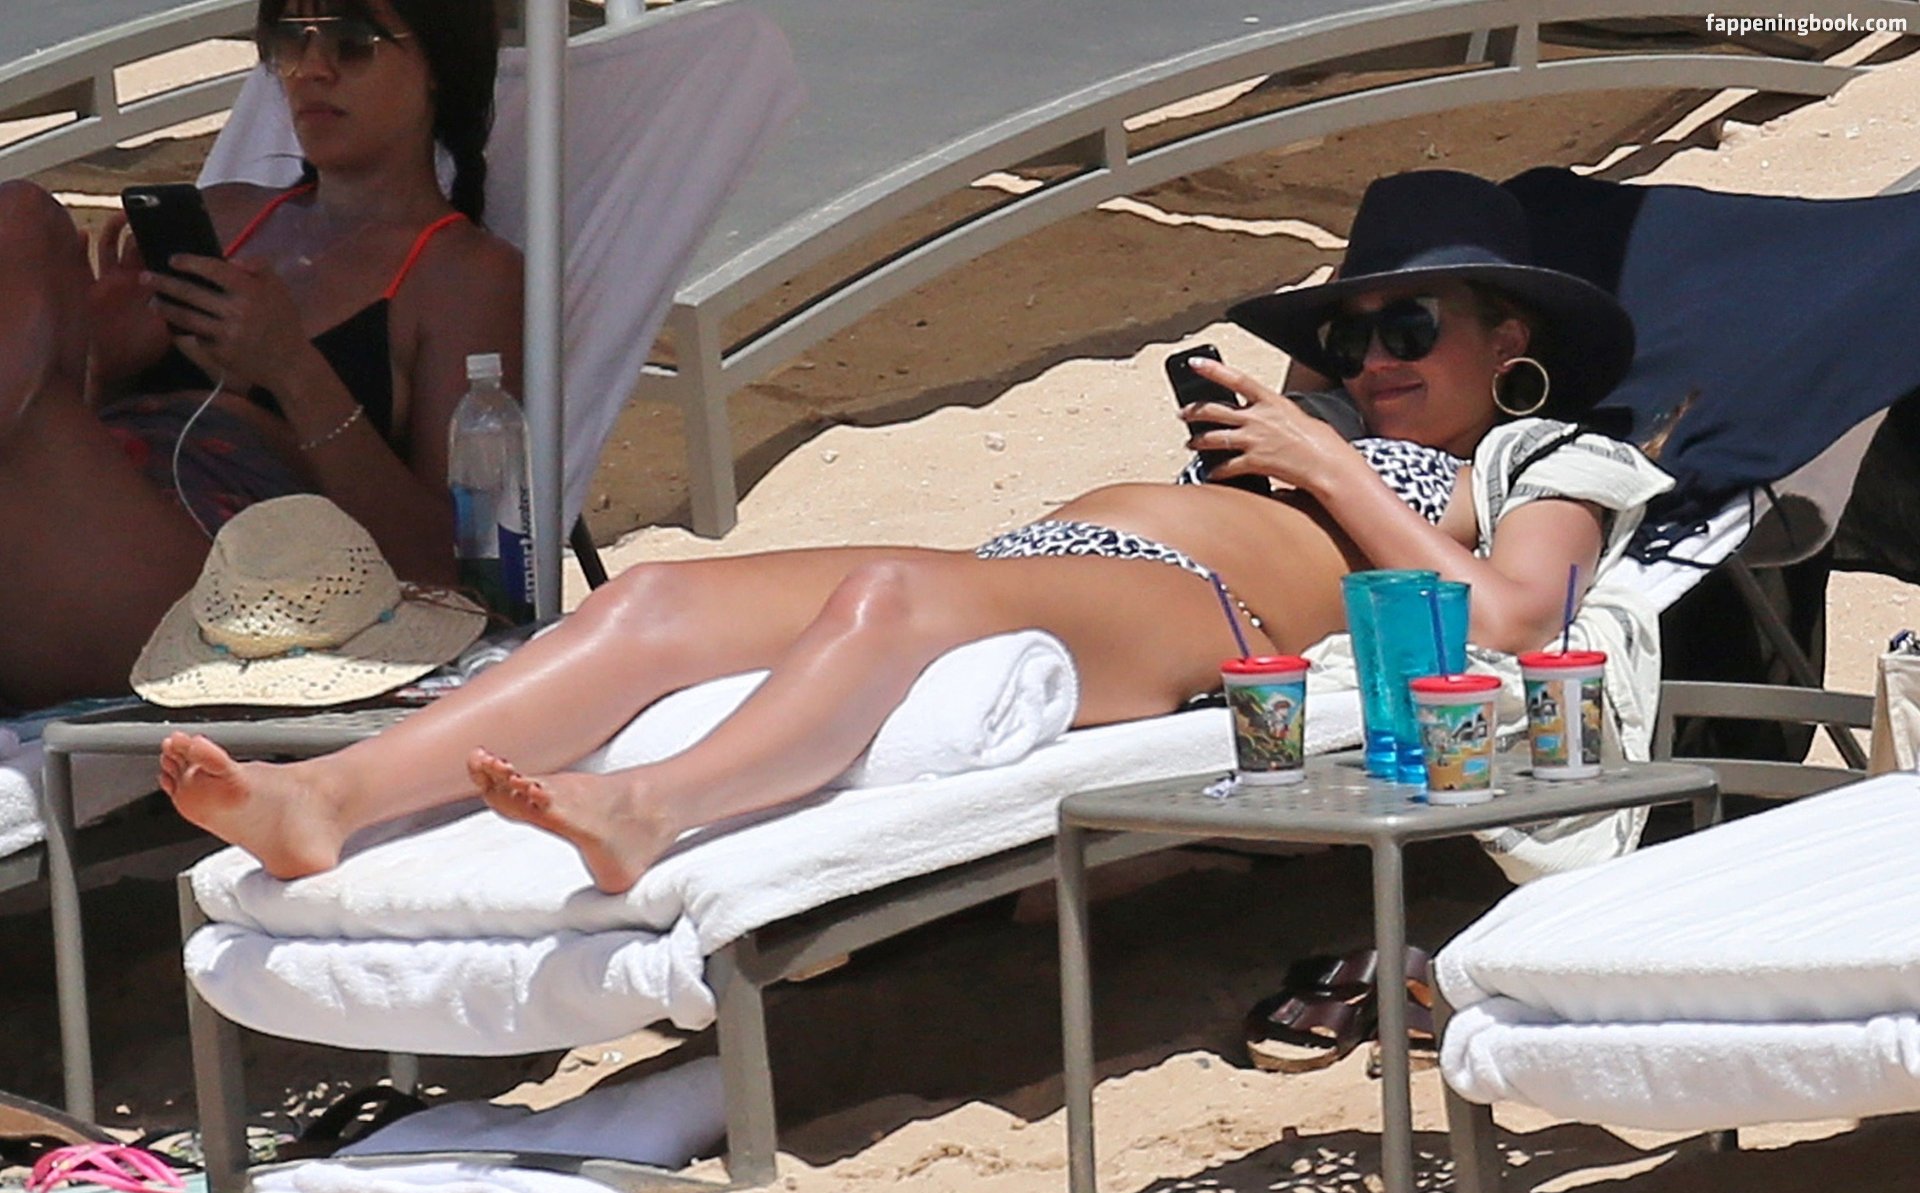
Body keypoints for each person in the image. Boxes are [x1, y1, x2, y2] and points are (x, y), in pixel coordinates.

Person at [157, 169, 1675, 894]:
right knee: (657, 600)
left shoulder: (1546, 456)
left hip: (1209, 615)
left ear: (1511, 342)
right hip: (1055, 561)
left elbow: (1511, 623)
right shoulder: (1310, 427)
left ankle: (653, 809)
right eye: (1347, 336)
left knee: (890, 594)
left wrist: (1324, 465)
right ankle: (332, 796)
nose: (1372, 360)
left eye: (1410, 326)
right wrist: (1300, 436)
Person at [0, 0, 522, 710]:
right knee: (22, 229)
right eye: (287, 40)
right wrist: (104, 363)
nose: (310, 68)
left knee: (20, 220)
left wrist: (292, 371)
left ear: (438, 63)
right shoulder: (223, 214)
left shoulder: (463, 274)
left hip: (229, 592)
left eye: (352, 41)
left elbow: (451, 573)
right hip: (77, 518)